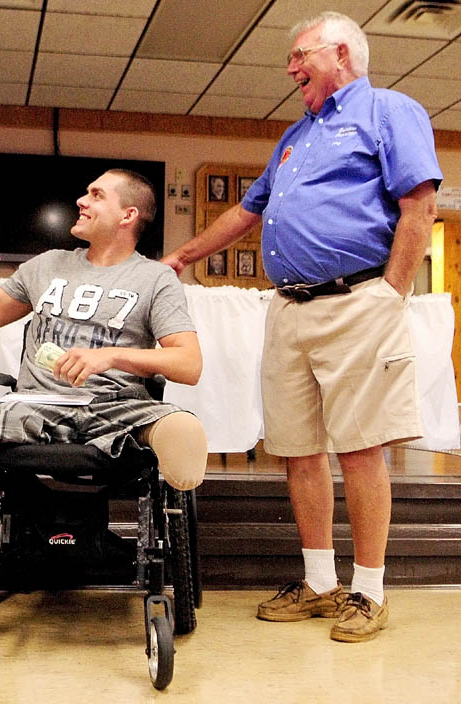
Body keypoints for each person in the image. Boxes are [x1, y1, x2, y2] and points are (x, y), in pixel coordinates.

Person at [162, 11, 441, 642]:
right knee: (296, 449)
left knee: (362, 447)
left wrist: (390, 295)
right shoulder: (295, 135)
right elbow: (246, 210)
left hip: (357, 301)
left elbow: (418, 206)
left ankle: (368, 591)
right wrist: (182, 257)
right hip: (288, 308)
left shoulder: (390, 111)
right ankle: (320, 583)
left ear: (340, 53)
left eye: (299, 57)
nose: (291, 70)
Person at [0, 168, 208, 493]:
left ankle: (172, 435)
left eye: (97, 195)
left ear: (128, 215)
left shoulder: (156, 278)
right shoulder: (46, 265)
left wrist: (109, 356)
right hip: (36, 403)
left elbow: (189, 364)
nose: (81, 201)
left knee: (176, 423)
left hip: (116, 406)